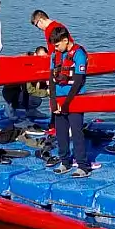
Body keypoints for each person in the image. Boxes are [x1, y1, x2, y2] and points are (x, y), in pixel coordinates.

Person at [47, 26, 91, 177]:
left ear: (66, 41)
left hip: (74, 99)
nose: (56, 48)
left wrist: (66, 104)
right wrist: (53, 101)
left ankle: (83, 166)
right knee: (61, 133)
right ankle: (65, 161)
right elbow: (51, 79)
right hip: (59, 100)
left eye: (58, 45)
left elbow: (78, 80)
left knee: (77, 132)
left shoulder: (78, 54)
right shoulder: (55, 55)